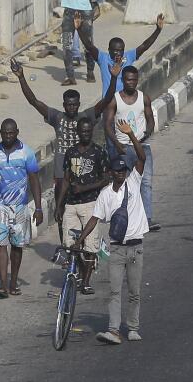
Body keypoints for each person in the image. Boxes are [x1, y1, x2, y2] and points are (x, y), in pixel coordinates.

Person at [73, 120, 148, 345]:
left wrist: (131, 135)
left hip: (136, 247)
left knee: (134, 292)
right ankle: (114, 330)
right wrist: (80, 239)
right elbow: (94, 219)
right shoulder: (105, 195)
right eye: (117, 171)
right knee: (115, 292)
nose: (121, 175)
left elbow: (142, 158)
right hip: (116, 249)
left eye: (123, 171)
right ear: (111, 172)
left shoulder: (134, 181)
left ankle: (133, 328)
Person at [10, 57, 119, 204]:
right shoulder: (57, 117)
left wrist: (113, 78)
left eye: (74, 105)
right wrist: (22, 77)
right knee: (61, 206)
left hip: (84, 168)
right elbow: (33, 101)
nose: (71, 108)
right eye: (68, 105)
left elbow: (106, 100)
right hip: (61, 170)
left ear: (79, 104)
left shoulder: (86, 116)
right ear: (64, 104)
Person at [0, 118, 42, 298]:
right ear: (1, 133)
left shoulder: (26, 152)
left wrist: (39, 208)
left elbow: (34, 180)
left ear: (17, 132)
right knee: (0, 245)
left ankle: (13, 282)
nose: (8, 136)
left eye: (11, 133)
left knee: (17, 246)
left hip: (20, 207)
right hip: (0, 206)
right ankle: (3, 285)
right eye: (5, 133)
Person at [55, 117, 110, 294]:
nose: (85, 134)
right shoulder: (70, 153)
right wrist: (59, 205)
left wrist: (85, 188)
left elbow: (106, 178)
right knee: (70, 244)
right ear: (77, 133)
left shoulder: (99, 152)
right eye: (82, 131)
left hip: (91, 204)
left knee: (90, 245)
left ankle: (86, 281)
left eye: (88, 131)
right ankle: (80, 270)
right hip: (71, 205)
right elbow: (65, 180)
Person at [103, 66, 158, 231]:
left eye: (134, 79)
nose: (131, 83)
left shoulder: (144, 98)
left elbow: (150, 119)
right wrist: (117, 144)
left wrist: (148, 131)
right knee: (125, 184)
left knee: (146, 183)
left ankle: (147, 219)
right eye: (128, 79)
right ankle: (125, 220)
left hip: (142, 146)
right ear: (123, 80)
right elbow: (107, 124)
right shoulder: (115, 99)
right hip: (124, 149)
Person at [75, 13, 164, 99]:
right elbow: (89, 46)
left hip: (124, 102)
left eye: (121, 50)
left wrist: (158, 30)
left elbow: (144, 46)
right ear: (109, 50)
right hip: (108, 102)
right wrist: (79, 29)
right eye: (115, 50)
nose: (118, 53)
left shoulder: (128, 57)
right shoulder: (103, 58)